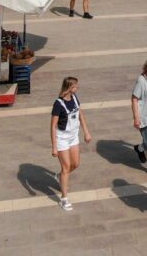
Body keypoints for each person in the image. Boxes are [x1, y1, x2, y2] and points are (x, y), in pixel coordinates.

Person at [51, 76, 92, 211]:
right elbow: (53, 126)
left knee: (76, 164)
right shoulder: (58, 104)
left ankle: (59, 176)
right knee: (66, 167)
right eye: (75, 86)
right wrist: (54, 147)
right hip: (62, 137)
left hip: (74, 136)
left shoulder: (74, 98)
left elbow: (80, 114)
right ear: (69, 88)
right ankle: (64, 198)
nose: (77, 88)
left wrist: (86, 132)